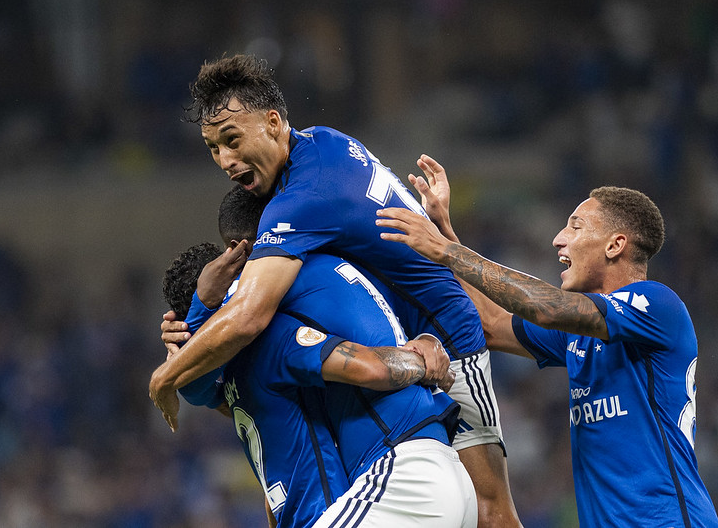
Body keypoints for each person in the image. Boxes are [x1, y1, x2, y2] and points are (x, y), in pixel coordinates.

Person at [150, 54, 521, 526]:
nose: (225, 159)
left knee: (492, 514)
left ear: (272, 122)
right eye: (212, 148)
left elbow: (248, 314)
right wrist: (197, 321)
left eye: (232, 140)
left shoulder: (302, 200)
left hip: (445, 340)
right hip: (408, 341)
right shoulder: (323, 143)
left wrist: (166, 375)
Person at [375, 155, 718, 527]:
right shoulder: (578, 336)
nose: (559, 239)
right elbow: (489, 325)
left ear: (615, 245)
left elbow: (545, 308)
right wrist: (443, 230)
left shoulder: (658, 305)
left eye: (575, 227)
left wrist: (446, 251)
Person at [160, 186, 477, 527]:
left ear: (240, 254)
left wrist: (422, 361)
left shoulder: (271, 326)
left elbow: (369, 368)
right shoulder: (335, 271)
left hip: (402, 475)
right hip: (431, 475)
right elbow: (194, 387)